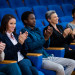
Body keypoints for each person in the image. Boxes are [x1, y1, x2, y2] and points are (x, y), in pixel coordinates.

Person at [21, 11, 75, 75]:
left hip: (47, 55)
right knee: (60, 68)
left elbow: (46, 45)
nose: (34, 20)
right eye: (32, 19)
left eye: (35, 18)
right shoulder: (24, 31)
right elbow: (31, 46)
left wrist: (48, 36)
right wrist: (45, 38)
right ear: (25, 21)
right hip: (39, 59)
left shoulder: (37, 30)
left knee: (72, 63)